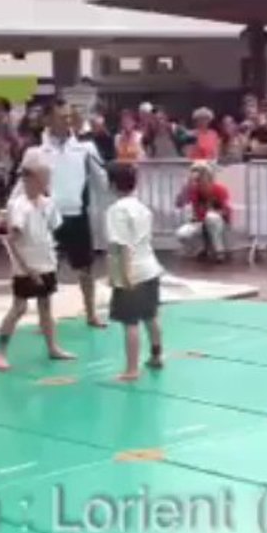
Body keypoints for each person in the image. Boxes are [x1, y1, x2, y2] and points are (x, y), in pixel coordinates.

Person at [19, 100, 108, 328]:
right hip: (48, 217)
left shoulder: (85, 148)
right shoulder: (35, 151)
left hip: (77, 215)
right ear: (48, 119)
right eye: (61, 116)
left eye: (69, 116)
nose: (67, 120)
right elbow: (22, 185)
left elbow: (102, 181)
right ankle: (44, 320)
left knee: (86, 268)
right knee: (47, 271)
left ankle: (91, 313)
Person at [0, 150, 74, 372]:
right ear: (31, 178)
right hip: (25, 267)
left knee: (46, 306)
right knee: (18, 308)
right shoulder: (19, 206)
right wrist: (28, 269)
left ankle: (52, 346)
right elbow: (14, 241)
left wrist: (51, 260)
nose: (46, 181)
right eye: (43, 177)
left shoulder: (48, 203)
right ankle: (0, 353)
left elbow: (51, 231)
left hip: (45, 262)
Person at [105, 161, 166, 382]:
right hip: (150, 267)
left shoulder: (116, 210)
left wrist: (122, 276)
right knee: (151, 316)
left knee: (130, 322)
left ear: (112, 184)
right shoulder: (142, 207)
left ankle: (132, 369)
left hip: (133, 270)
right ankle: (156, 355)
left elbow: (121, 246)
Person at [175, 161, 232, 262]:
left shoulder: (220, 190)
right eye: (196, 180)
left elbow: (226, 211)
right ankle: (200, 248)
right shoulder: (193, 190)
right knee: (182, 234)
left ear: (208, 178)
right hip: (200, 222)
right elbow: (179, 204)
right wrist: (186, 187)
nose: (198, 182)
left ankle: (219, 251)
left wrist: (210, 214)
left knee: (211, 218)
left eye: (200, 179)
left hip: (220, 225)